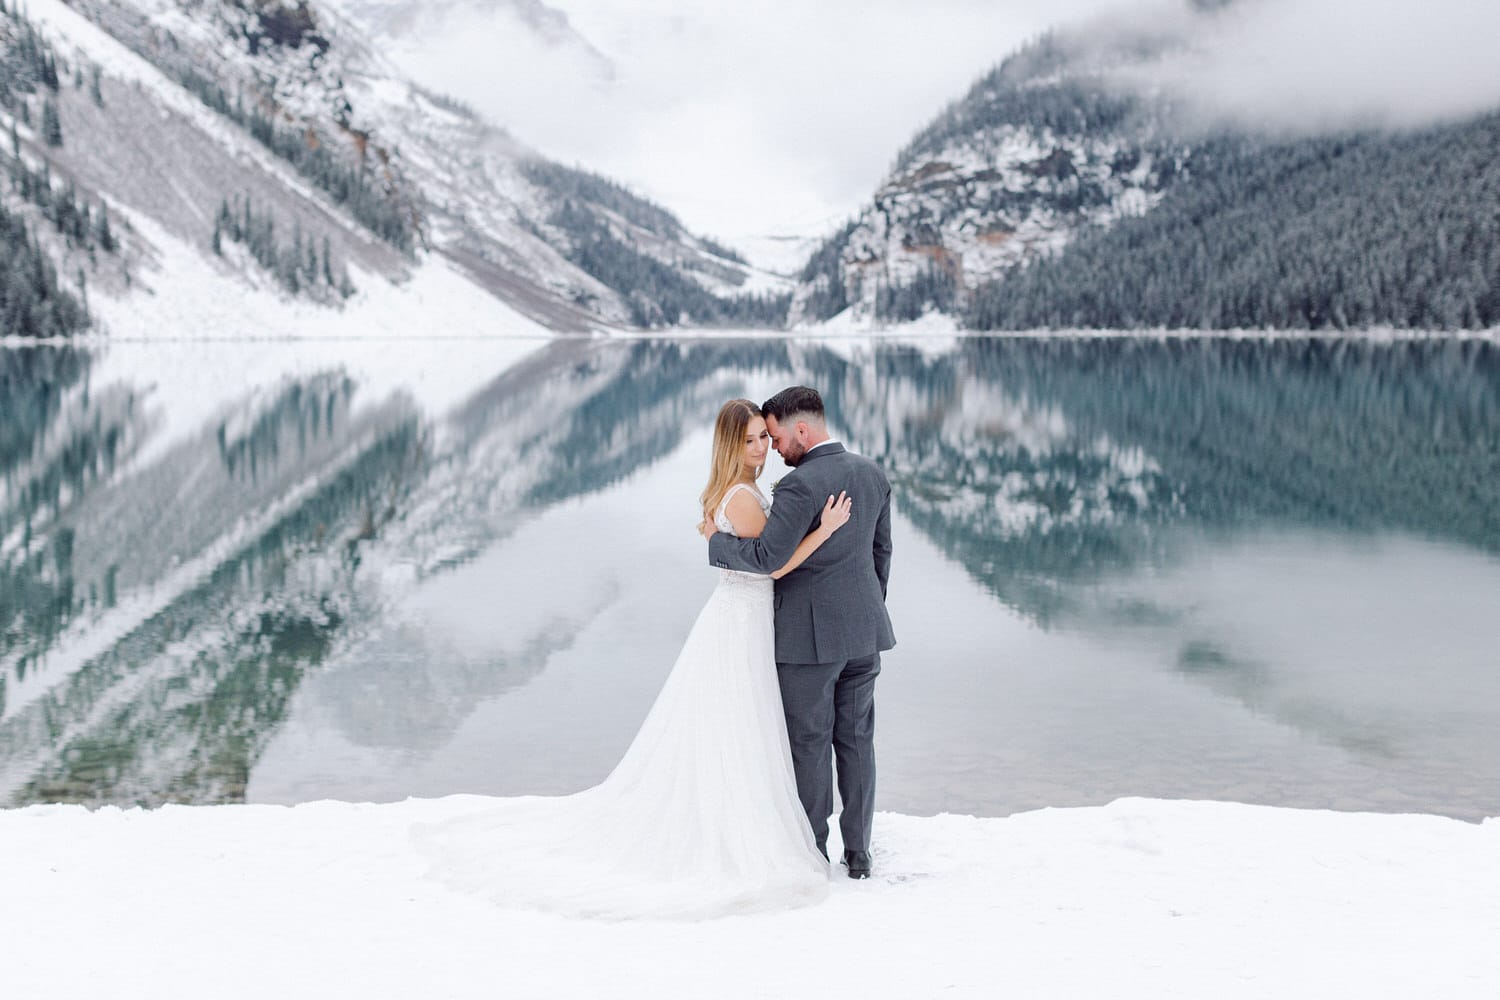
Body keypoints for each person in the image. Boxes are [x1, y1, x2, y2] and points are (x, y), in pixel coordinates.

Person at [414, 399, 852, 919]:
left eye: (763, 437)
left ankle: (727, 810)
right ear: (730, 446)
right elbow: (772, 567)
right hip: (743, 618)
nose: (761, 448)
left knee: (732, 723)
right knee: (740, 721)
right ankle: (733, 823)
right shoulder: (745, 500)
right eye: (751, 440)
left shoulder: (738, 493)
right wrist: (822, 532)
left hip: (741, 616)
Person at [704, 385, 894, 879]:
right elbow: (881, 556)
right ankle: (859, 854)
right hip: (863, 633)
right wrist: (866, 612)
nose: (773, 448)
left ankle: (812, 851)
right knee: (856, 740)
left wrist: (717, 542)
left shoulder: (798, 487)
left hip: (808, 641)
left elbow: (769, 560)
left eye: (775, 437)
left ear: (801, 431)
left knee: (809, 744)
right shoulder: (873, 474)